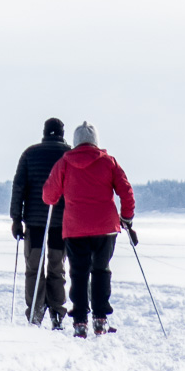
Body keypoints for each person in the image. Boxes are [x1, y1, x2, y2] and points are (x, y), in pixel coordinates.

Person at [42, 121, 136, 338]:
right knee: (101, 270)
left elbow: (49, 196)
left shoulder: (64, 163)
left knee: (79, 273)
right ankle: (100, 318)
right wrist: (127, 217)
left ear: (75, 141)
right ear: (96, 141)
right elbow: (126, 191)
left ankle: (80, 320)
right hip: (105, 228)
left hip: (75, 228)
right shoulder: (109, 162)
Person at [9, 117, 71, 329]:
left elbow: (19, 187)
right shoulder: (69, 154)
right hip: (61, 222)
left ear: (44, 133)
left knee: (33, 269)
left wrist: (16, 219)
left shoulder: (29, 154)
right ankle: (57, 313)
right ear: (62, 134)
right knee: (57, 268)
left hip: (34, 223)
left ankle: (35, 313)